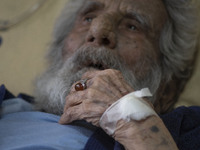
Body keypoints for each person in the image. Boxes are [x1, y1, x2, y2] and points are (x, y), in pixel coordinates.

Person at [0, 0, 200, 150]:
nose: (97, 31)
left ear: (167, 89)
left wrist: (136, 121)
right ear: (57, 52)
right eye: (88, 18)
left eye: (132, 26)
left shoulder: (187, 130)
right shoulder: (8, 108)